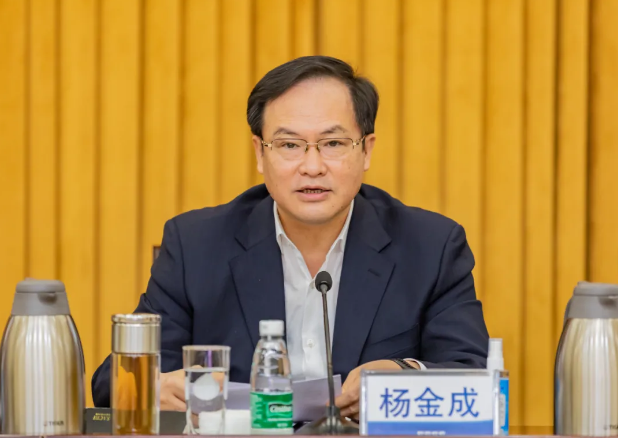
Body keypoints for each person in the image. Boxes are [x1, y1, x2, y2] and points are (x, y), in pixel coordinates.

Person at [92, 56, 489, 419]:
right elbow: (113, 380)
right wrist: (153, 388)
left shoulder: (431, 247)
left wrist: (403, 371)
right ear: (260, 153)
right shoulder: (195, 245)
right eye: (289, 145)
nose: (312, 166)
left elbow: (473, 378)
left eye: (333, 144)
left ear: (366, 150)